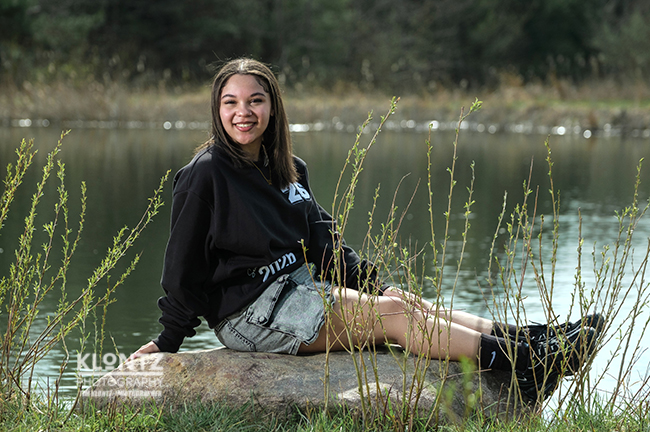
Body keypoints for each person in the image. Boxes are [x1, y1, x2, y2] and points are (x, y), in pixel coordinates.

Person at [129, 58, 602, 401]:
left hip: (299, 291)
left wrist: (378, 285)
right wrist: (169, 340)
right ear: (217, 110)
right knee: (395, 318)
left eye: (255, 100)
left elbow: (325, 244)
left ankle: (535, 339)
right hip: (249, 315)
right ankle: (530, 364)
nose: (243, 113)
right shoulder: (205, 174)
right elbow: (182, 269)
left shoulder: (289, 168)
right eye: (230, 102)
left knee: (406, 303)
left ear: (273, 107)